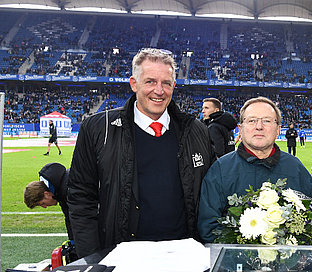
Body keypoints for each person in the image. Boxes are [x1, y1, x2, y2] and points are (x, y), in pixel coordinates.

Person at [68, 48, 216, 258]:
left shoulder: (196, 130)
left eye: (166, 83)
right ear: (133, 84)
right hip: (121, 260)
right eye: (150, 82)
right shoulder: (98, 129)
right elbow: (80, 197)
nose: (159, 90)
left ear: (174, 86)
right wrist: (92, 258)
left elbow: (214, 192)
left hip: (184, 260)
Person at [197, 97, 312, 243]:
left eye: (267, 121)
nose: (259, 126)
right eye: (252, 121)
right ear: (240, 129)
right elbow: (208, 227)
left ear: (278, 130)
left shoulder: (295, 167)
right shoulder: (220, 170)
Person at [24, 162, 73, 240]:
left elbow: (85, 219)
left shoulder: (68, 191)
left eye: (42, 203)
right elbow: (69, 218)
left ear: (46, 194)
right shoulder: (59, 191)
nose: (45, 207)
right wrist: (72, 241)